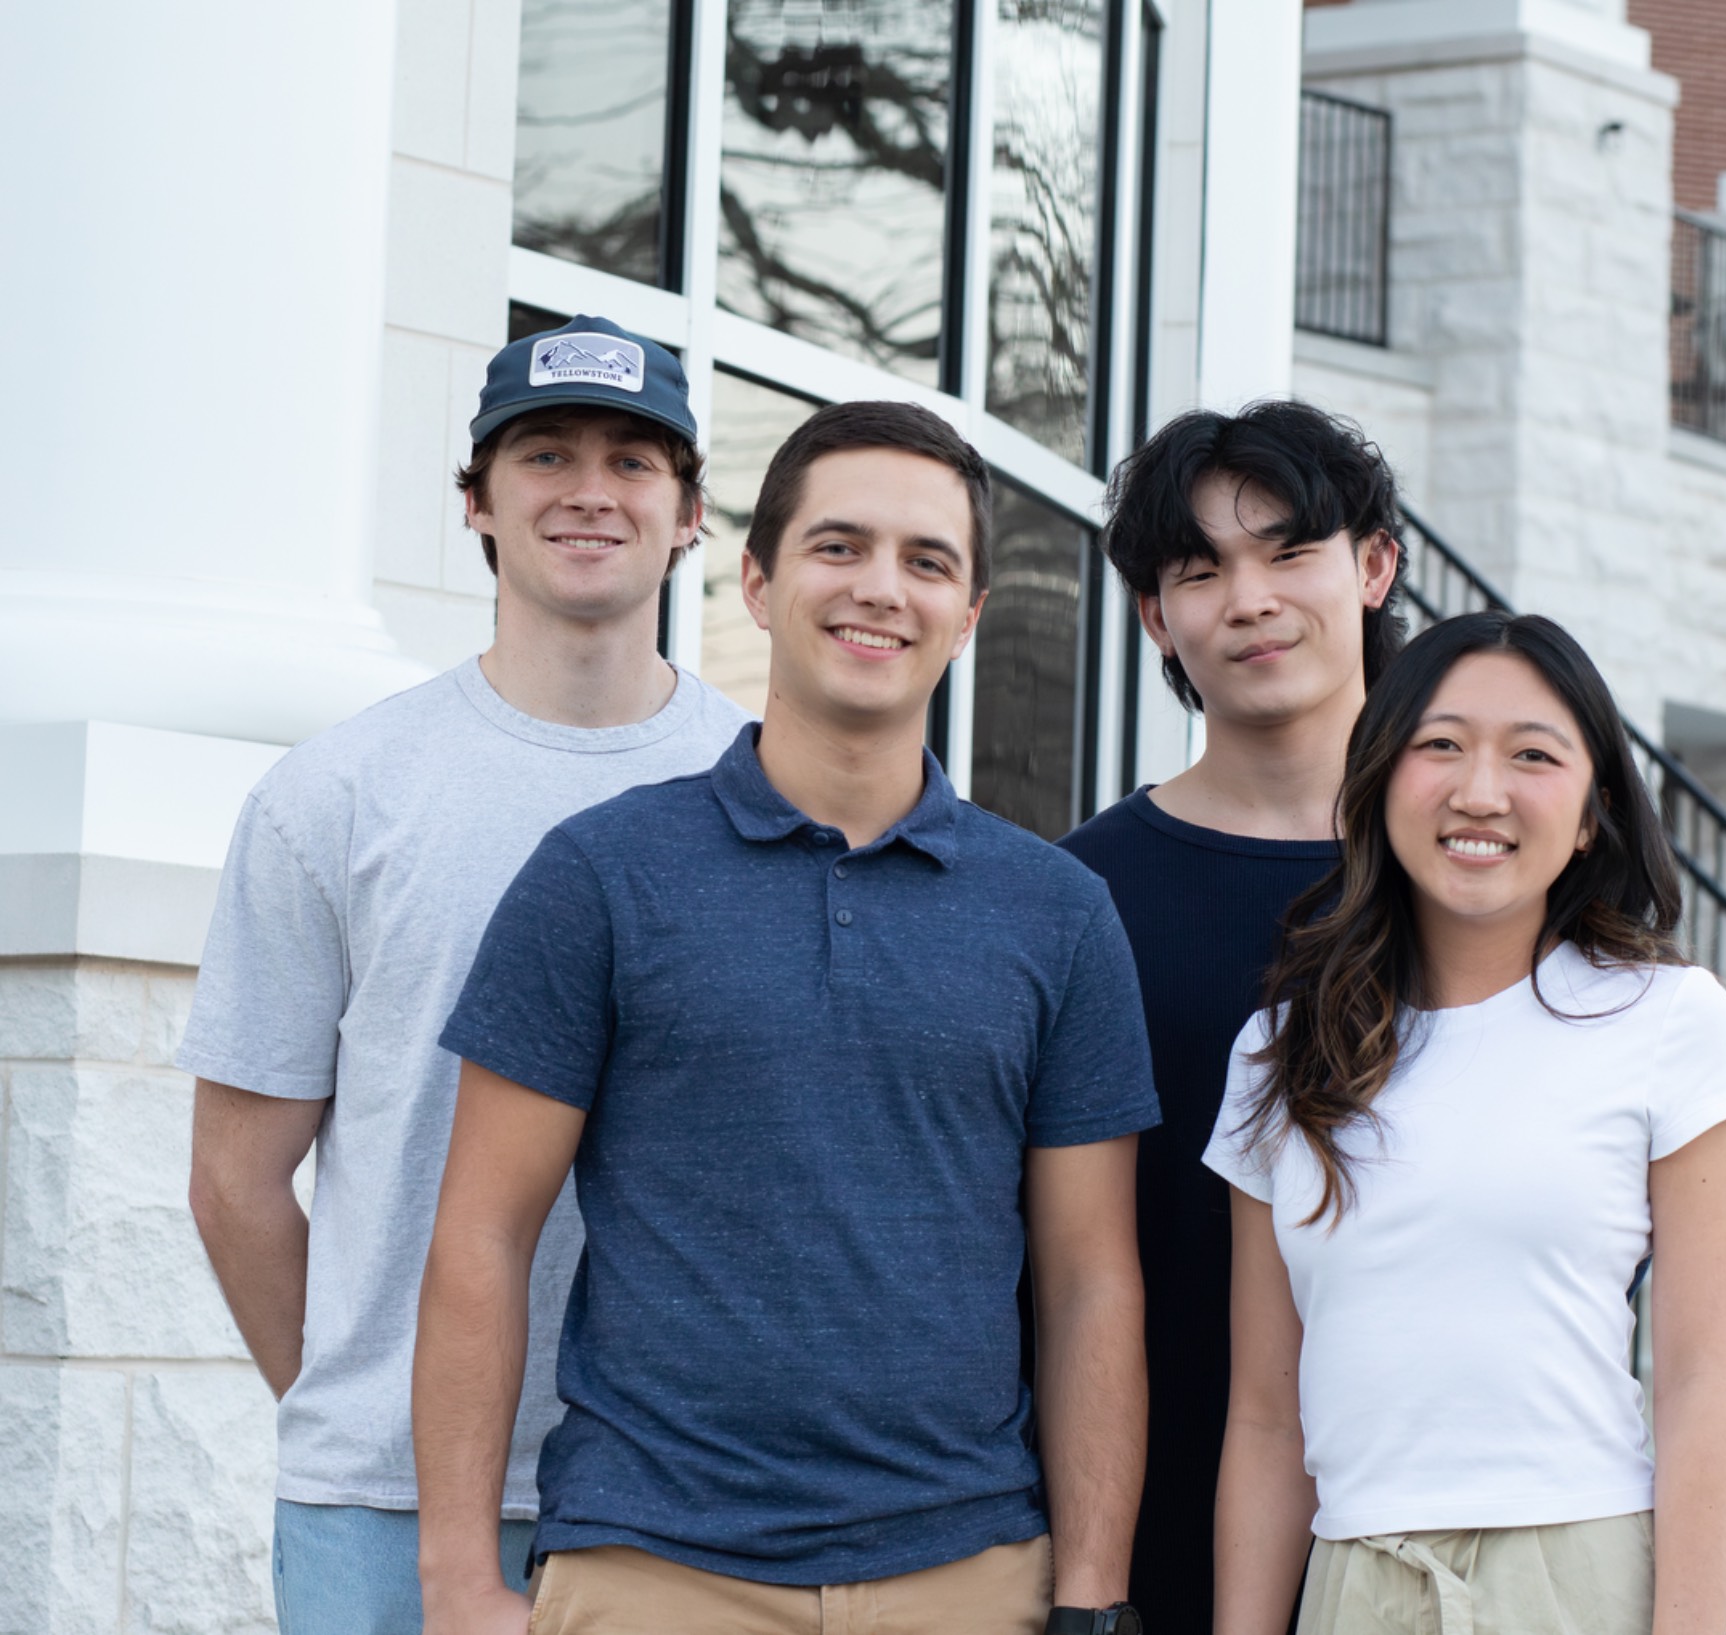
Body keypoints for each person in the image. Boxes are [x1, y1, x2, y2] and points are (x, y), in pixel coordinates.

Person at [413, 400, 1159, 1635]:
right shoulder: (602, 875)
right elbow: (482, 1233)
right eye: (839, 546)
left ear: (968, 618)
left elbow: (1091, 1282)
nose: (880, 588)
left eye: (927, 563)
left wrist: (1086, 1597)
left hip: (965, 1572)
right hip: (653, 1568)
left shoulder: (1058, 914)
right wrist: (456, 1583)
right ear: (755, 581)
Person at [181, 314, 751, 1635]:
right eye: (545, 453)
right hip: (377, 1512)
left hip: (686, 1495)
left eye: (634, 458)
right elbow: (233, 1179)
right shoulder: (336, 790)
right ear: (476, 502)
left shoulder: (763, 787)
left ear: (689, 516)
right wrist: (362, 1404)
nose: (591, 489)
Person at [1207, 611, 1726, 1635]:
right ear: (1377, 783)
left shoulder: (1671, 1022)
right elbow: (1263, 1414)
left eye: (1532, 756)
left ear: (1591, 813)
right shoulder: (1276, 1050)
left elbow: (1698, 1389)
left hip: (1577, 1577)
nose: (1479, 792)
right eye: (1439, 745)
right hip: (1352, 1579)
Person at [1058, 402, 1403, 1631]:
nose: (1248, 599)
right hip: (1126, 1541)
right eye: (1199, 571)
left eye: (1287, 552)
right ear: (1156, 617)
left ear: (1371, 566)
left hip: (1426, 1527)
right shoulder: (1073, 897)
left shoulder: (1475, 879)